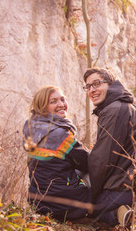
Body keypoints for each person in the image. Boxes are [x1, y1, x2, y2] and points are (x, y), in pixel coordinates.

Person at [83, 67, 136, 228]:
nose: (92, 90)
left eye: (96, 84)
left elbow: (102, 160)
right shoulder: (124, 106)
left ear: (110, 84)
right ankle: (127, 214)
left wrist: (91, 195)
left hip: (124, 188)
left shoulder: (114, 110)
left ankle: (120, 214)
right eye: (88, 87)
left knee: (85, 211)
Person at [23, 86, 91, 222]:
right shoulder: (60, 135)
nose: (61, 104)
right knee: (103, 192)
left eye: (62, 99)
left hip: (38, 202)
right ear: (42, 107)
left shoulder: (32, 128)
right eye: (53, 102)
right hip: (63, 204)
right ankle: (115, 217)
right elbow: (89, 163)